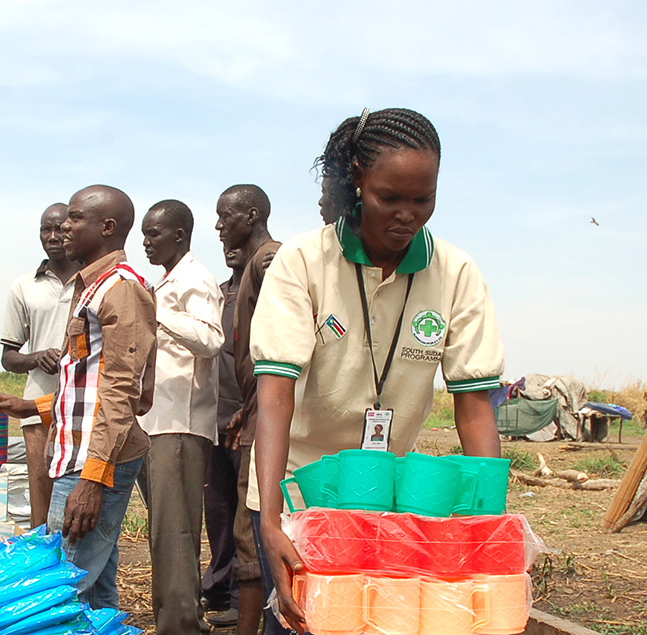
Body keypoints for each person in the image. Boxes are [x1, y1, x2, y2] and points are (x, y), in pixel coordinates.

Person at [250, 108, 505, 633]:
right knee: (306, 621)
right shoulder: (302, 262)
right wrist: (273, 521)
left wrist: (490, 528)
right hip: (300, 497)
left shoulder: (456, 273)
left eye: (423, 199)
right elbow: (275, 394)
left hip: (392, 501)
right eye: (390, 198)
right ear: (357, 183)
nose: (407, 215)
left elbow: (475, 407)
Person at [0, 185, 156, 610]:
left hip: (92, 463)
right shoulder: (91, 287)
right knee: (94, 590)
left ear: (108, 227)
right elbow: (86, 382)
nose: (65, 226)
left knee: (60, 588)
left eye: (75, 218)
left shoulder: (121, 289)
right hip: (79, 455)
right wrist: (32, 406)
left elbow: (120, 391)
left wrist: (93, 481)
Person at [135, 200, 224, 635]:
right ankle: (182, 618)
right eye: (145, 235)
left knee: (174, 535)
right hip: (159, 422)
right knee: (168, 533)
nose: (146, 242)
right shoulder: (168, 281)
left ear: (180, 235)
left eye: (154, 234)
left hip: (180, 425)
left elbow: (209, 339)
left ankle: (180, 626)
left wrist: (157, 312)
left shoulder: (194, 279)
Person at [215, 184, 279, 635]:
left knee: (251, 535)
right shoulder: (255, 267)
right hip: (255, 410)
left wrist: (259, 407)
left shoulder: (270, 261)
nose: (219, 225)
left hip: (267, 420)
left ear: (251, 215)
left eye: (226, 216)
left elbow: (281, 351)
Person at [0, 202, 83, 529]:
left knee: (81, 497)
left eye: (59, 229)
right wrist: (37, 357)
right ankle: (44, 572)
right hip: (36, 409)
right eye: (44, 230)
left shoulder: (91, 281)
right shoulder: (24, 287)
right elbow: (8, 357)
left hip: (81, 406)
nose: (52, 237)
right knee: (42, 498)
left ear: (72, 230)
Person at [200, 244, 248, 626]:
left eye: (227, 220)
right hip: (212, 418)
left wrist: (247, 410)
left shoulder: (267, 289)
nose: (223, 237)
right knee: (217, 511)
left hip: (243, 417)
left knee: (243, 513)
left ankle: (239, 595)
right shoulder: (217, 292)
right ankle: (217, 585)